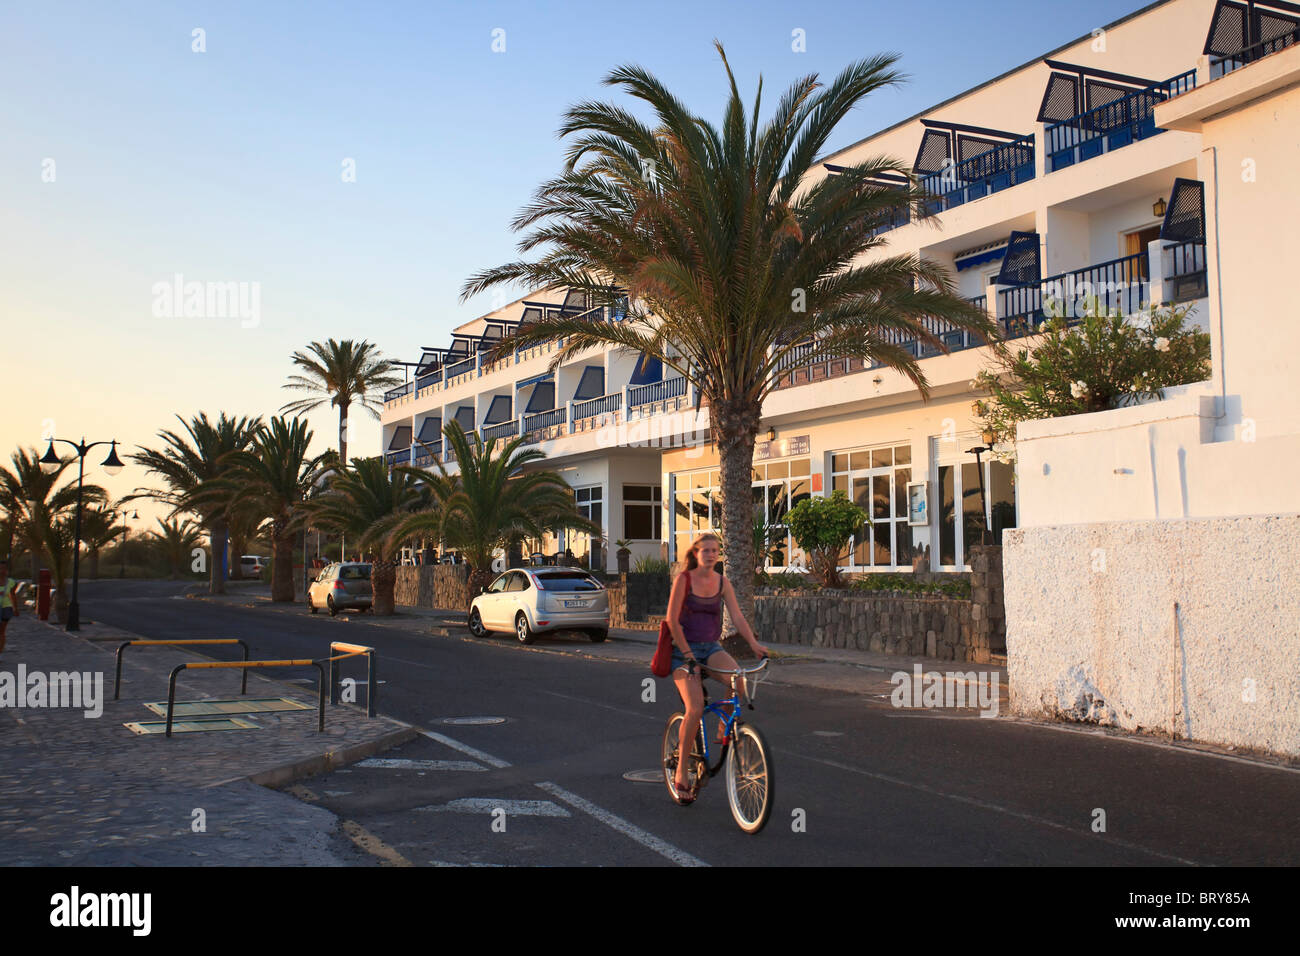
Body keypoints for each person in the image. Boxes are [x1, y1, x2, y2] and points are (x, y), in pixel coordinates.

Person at [665, 533, 767, 804]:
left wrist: (754, 644)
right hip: (682, 652)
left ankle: (723, 730)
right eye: (705, 550)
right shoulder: (684, 580)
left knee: (738, 679)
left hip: (710, 648)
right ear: (696, 553)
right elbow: (672, 622)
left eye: (715, 550)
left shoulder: (722, 582)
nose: (711, 554)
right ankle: (682, 773)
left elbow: (737, 616)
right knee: (695, 708)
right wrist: (687, 655)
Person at [0, 560, 19, 655]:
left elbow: (13, 595)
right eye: (0, 568)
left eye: (4, 568)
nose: (2, 571)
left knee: (1, 631)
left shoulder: (10, 582)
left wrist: (15, 608)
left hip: (6, 608)